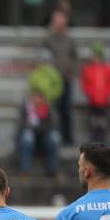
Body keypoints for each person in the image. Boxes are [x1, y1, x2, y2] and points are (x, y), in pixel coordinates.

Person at [43, 10, 77, 146]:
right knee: (53, 110)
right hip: (52, 81)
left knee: (67, 109)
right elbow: (44, 58)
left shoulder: (70, 40)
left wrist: (71, 72)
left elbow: (75, 58)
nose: (59, 24)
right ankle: (55, 137)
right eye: (57, 21)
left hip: (66, 79)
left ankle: (68, 139)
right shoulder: (47, 39)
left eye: (62, 21)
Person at [17, 88, 61, 179]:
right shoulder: (26, 108)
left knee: (55, 138)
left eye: (39, 97)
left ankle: (53, 170)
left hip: (45, 136)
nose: (37, 100)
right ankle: (25, 170)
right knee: (27, 137)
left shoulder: (48, 108)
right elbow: (21, 124)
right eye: (35, 97)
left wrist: (39, 128)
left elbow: (54, 124)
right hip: (30, 137)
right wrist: (33, 128)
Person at [80, 43, 110, 143]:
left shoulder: (108, 69)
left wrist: (108, 93)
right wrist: (90, 93)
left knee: (103, 121)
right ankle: (94, 140)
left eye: (98, 56)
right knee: (93, 121)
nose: (96, 58)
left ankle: (102, 140)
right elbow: (85, 83)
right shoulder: (88, 69)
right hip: (93, 100)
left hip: (104, 101)